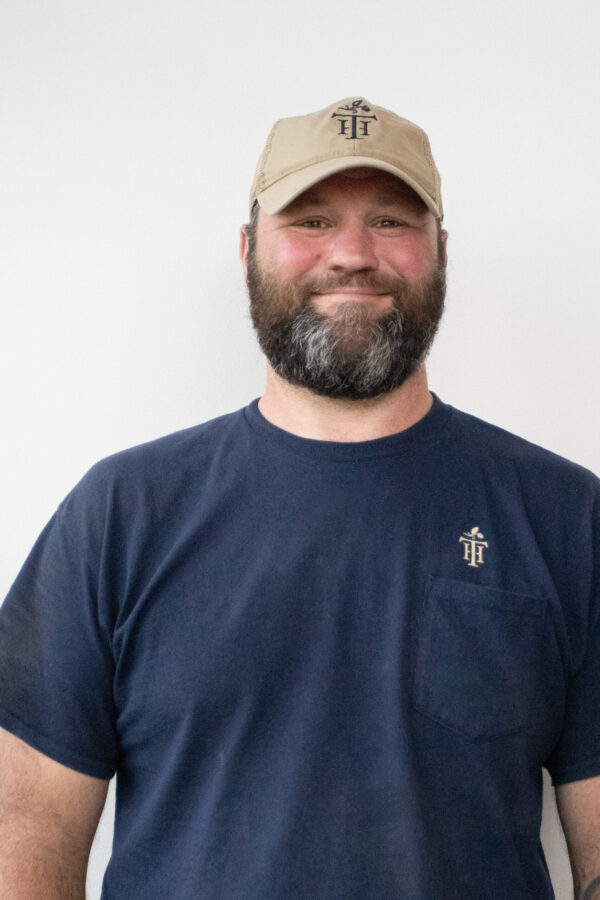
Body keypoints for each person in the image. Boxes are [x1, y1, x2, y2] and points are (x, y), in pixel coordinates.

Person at [0, 96, 598, 900]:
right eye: (310, 221)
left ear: (441, 252)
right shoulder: (121, 515)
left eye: (391, 221)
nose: (352, 254)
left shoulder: (565, 517)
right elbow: (26, 828)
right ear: (248, 250)